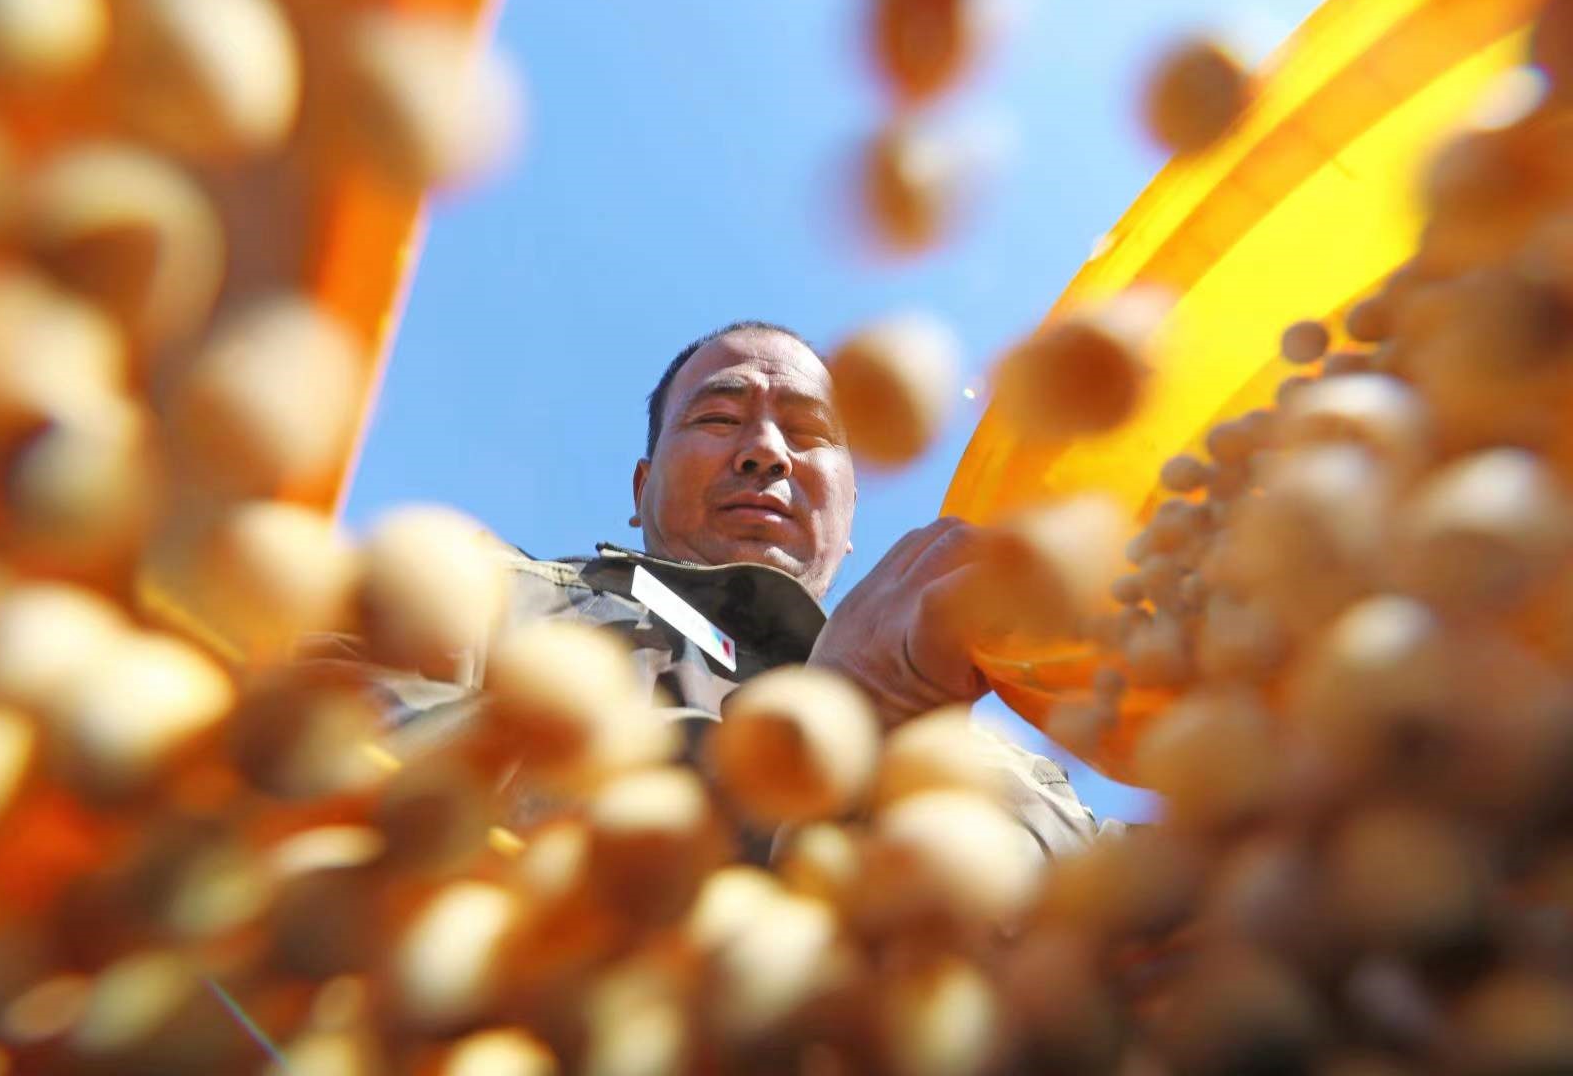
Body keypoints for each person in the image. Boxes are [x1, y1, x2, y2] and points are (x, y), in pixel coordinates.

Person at [310, 319, 1102, 854]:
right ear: (643, 488)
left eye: (809, 433)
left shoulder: (1006, 759)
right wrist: (824, 735)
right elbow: (328, 763)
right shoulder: (481, 598)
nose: (767, 451)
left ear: (851, 515)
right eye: (718, 419)